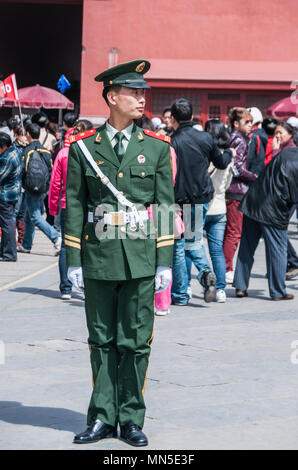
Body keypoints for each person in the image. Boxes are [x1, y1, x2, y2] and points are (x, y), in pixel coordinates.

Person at [65, 59, 174, 447]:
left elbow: (164, 206)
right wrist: (74, 261)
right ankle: (101, 417)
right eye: (133, 92)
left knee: (135, 341)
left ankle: (130, 418)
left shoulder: (157, 148)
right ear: (112, 97)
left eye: (143, 92)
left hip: (142, 259)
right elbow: (74, 207)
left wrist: (165, 262)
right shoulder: (83, 149)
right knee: (101, 340)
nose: (141, 98)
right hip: (98, 258)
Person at [170, 98, 233, 305]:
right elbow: (221, 163)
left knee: (181, 246)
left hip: (179, 199)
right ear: (191, 116)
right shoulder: (205, 138)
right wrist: (229, 153)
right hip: (202, 197)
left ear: (173, 119)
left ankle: (181, 292)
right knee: (192, 241)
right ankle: (205, 274)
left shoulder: (172, 141)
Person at [233, 145, 298, 301]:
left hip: (254, 200)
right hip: (274, 209)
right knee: (278, 250)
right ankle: (278, 291)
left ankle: (240, 286)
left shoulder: (287, 152)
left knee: (247, 246)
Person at [48, 119, 93, 300]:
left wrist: (52, 207)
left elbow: (55, 183)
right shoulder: (91, 153)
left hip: (68, 205)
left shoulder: (64, 153)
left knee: (67, 246)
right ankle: (84, 287)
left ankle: (66, 288)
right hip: (89, 206)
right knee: (87, 245)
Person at [223, 107, 257, 284]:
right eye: (247, 122)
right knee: (234, 232)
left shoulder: (234, 137)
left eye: (251, 122)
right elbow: (236, 168)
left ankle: (225, 265)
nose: (250, 125)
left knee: (231, 231)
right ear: (236, 123)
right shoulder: (239, 140)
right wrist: (255, 177)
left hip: (232, 190)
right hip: (236, 191)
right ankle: (227, 268)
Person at [18, 123, 61, 255]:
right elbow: (51, 169)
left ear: (28, 134)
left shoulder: (27, 150)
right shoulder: (45, 151)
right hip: (43, 188)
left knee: (36, 216)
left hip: (31, 188)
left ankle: (56, 238)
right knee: (29, 215)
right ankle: (26, 245)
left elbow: (23, 170)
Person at [204, 119, 235, 303]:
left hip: (202, 206)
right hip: (220, 206)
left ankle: (189, 286)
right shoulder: (228, 157)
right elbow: (229, 183)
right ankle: (221, 289)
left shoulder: (204, 153)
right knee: (217, 251)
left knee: (193, 247)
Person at [0, 132, 22, 261]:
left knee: (7, 224)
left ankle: (9, 253)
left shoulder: (6, 158)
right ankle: (5, 250)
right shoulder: (14, 151)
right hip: (12, 192)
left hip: (5, 195)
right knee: (6, 223)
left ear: (3, 146)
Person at [246, 107, 267, 176]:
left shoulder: (252, 136)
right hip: (260, 171)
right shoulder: (262, 133)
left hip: (252, 173)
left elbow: (249, 158)